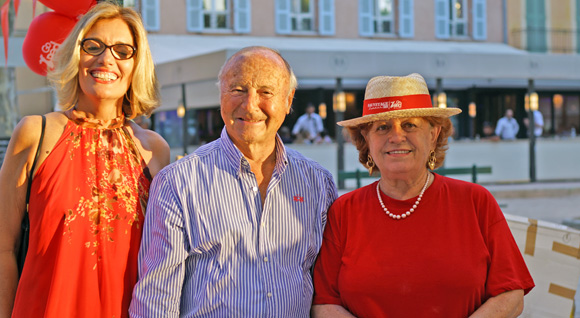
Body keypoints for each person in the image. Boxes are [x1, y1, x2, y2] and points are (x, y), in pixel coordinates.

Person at [129, 46, 338, 317]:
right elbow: (155, 303)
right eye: (238, 89)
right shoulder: (177, 183)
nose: (250, 105)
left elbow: (326, 290)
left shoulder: (318, 183)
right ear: (221, 96)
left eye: (266, 92)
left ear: (288, 101)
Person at [311, 73, 534, 318]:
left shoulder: (475, 202)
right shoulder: (344, 211)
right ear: (366, 138)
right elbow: (323, 303)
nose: (396, 137)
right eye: (382, 127)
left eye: (409, 125)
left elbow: (511, 294)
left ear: (433, 134)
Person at [0, 2, 170, 317]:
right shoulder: (36, 133)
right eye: (93, 46)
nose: (106, 59)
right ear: (76, 55)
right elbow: (3, 249)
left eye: (123, 50)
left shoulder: (154, 150)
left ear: (137, 65)